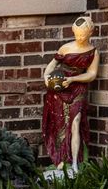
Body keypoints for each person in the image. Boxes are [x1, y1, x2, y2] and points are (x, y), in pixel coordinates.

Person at [40, 14, 100, 169]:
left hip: (78, 87)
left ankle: (75, 164)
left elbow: (92, 74)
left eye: (83, 35)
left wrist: (73, 79)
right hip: (60, 88)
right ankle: (62, 159)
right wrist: (46, 77)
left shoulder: (93, 52)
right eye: (77, 34)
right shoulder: (65, 48)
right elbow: (52, 65)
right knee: (61, 123)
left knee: (76, 121)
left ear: (90, 33)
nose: (79, 38)